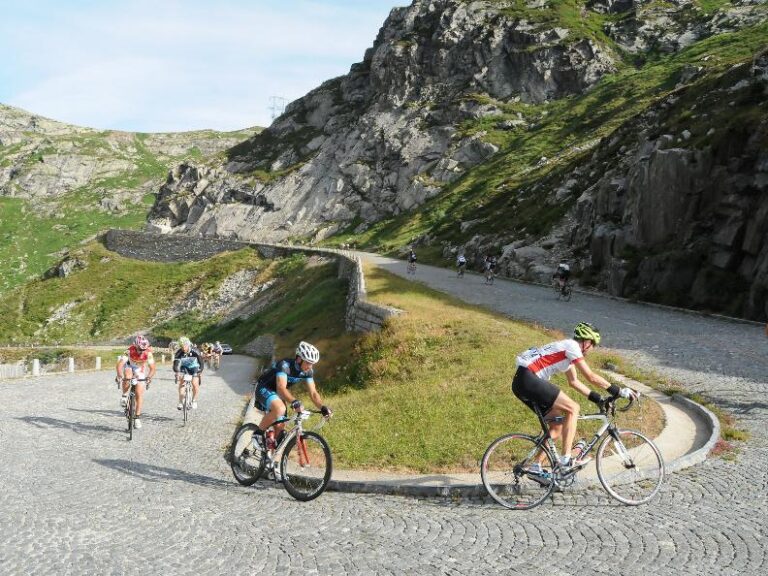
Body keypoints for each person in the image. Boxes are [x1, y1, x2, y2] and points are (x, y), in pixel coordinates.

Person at [511, 322, 637, 472]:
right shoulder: (572, 346)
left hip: (521, 382)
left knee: (557, 427)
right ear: (587, 342)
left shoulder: (567, 352)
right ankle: (566, 460)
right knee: (573, 408)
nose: (591, 350)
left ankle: (536, 466)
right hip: (529, 378)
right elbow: (590, 376)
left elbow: (574, 382)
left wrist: (599, 399)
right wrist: (619, 391)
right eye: (593, 346)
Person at [251, 341, 332, 448]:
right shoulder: (285, 365)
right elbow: (281, 388)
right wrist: (294, 401)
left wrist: (322, 407)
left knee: (280, 427)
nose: (310, 366)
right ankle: (258, 434)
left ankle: (268, 457)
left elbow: (313, 393)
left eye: (312, 363)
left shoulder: (308, 372)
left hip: (278, 395)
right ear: (299, 359)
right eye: (308, 362)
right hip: (265, 387)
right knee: (280, 409)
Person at [116, 335, 156, 429]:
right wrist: (119, 375)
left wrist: (149, 377)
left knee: (139, 393)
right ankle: (124, 395)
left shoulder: (148, 353)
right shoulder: (129, 351)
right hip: (129, 366)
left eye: (143, 350)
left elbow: (153, 368)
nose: (140, 352)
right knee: (128, 376)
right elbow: (120, 365)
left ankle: (137, 417)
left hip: (139, 369)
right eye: (139, 349)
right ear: (136, 346)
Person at [173, 336, 204, 410]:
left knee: (194, 383)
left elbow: (201, 363)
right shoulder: (179, 352)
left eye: (185, 345)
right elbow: (176, 365)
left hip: (195, 367)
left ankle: (194, 400)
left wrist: (200, 371)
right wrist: (177, 372)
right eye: (181, 346)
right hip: (184, 368)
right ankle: (180, 401)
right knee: (181, 382)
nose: (183, 348)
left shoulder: (195, 351)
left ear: (188, 344)